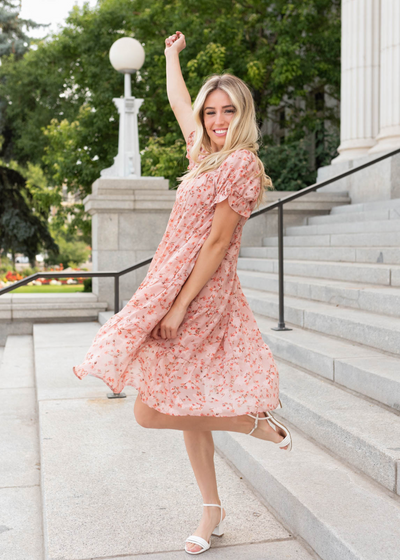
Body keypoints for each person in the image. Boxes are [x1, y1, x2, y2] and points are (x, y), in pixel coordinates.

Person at [73, 30, 292, 556]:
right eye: (211, 112)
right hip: (172, 282)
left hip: (199, 291)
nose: (217, 121)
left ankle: (251, 422)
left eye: (228, 112)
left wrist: (178, 305)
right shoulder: (205, 156)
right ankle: (211, 510)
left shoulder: (241, 165)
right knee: (183, 399)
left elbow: (218, 242)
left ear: (245, 116)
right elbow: (178, 104)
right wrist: (172, 57)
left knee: (150, 410)